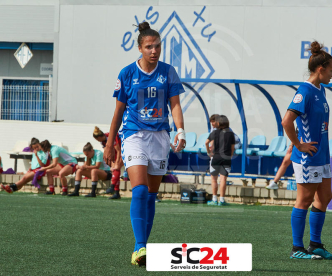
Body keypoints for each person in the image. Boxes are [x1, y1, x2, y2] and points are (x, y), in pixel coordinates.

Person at [103, 22, 185, 267]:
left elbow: (176, 105)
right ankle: (139, 246)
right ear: (139, 48)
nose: (154, 50)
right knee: (139, 190)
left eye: (157, 46)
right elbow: (118, 112)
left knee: (150, 195)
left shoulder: (169, 72)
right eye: (149, 46)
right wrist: (110, 143)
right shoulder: (127, 73)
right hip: (134, 135)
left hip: (160, 137)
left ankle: (143, 249)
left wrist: (180, 131)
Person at [281, 41, 332, 260]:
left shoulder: (320, 90)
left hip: (322, 156)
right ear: (321, 69)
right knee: (304, 200)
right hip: (308, 157)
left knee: (325, 197)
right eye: (331, 70)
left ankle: (315, 245)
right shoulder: (304, 91)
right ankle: (297, 249)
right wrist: (299, 144)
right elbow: (287, 121)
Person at [205, 115, 235, 206]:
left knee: (214, 179)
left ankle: (214, 199)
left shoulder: (215, 133)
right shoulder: (230, 133)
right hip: (226, 158)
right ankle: (222, 200)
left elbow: (206, 142)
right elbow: (232, 147)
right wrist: (230, 156)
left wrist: (209, 152)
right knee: (223, 180)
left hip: (216, 158)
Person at [93, 126, 123, 199]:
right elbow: (107, 152)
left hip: (123, 150)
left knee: (117, 168)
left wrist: (118, 162)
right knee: (114, 170)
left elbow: (119, 150)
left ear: (98, 137)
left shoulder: (111, 137)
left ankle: (112, 187)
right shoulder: (102, 141)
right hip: (115, 153)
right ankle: (116, 193)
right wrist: (112, 164)